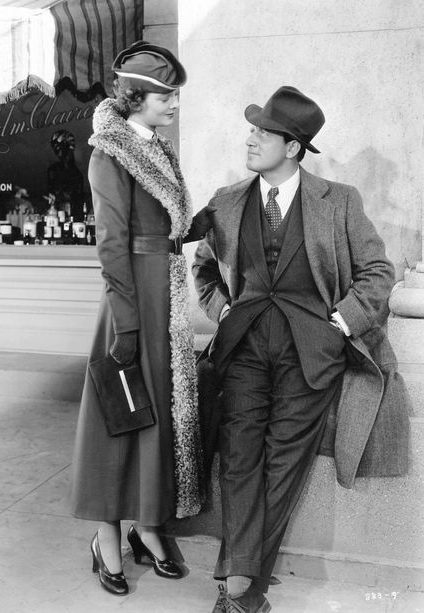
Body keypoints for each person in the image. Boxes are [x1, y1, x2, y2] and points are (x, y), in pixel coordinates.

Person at [192, 86, 410, 613]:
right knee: (239, 459)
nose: (250, 139)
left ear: (292, 147)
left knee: (282, 464)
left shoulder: (339, 200)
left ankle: (239, 585)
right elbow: (201, 265)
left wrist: (340, 322)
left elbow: (378, 271)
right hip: (242, 347)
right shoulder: (227, 200)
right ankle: (245, 590)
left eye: (262, 133)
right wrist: (221, 310)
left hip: (310, 354)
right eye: (252, 129)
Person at [70, 41, 210, 596]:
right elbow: (112, 243)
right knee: (120, 415)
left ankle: (147, 526)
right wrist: (125, 323)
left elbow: (166, 229)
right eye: (165, 94)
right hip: (134, 299)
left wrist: (214, 213)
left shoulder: (156, 147)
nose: (173, 103)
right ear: (136, 96)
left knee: (157, 415)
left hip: (165, 296)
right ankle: (107, 534)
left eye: (174, 93)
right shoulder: (110, 152)